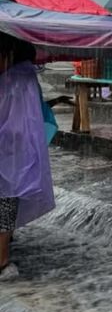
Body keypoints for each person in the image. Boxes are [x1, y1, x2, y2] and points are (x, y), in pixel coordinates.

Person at [0, 32, 55, 281]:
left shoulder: (17, 79)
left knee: (6, 200)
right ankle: (2, 259)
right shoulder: (21, 79)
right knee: (7, 200)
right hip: (13, 155)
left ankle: (2, 258)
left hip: (10, 153)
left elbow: (18, 125)